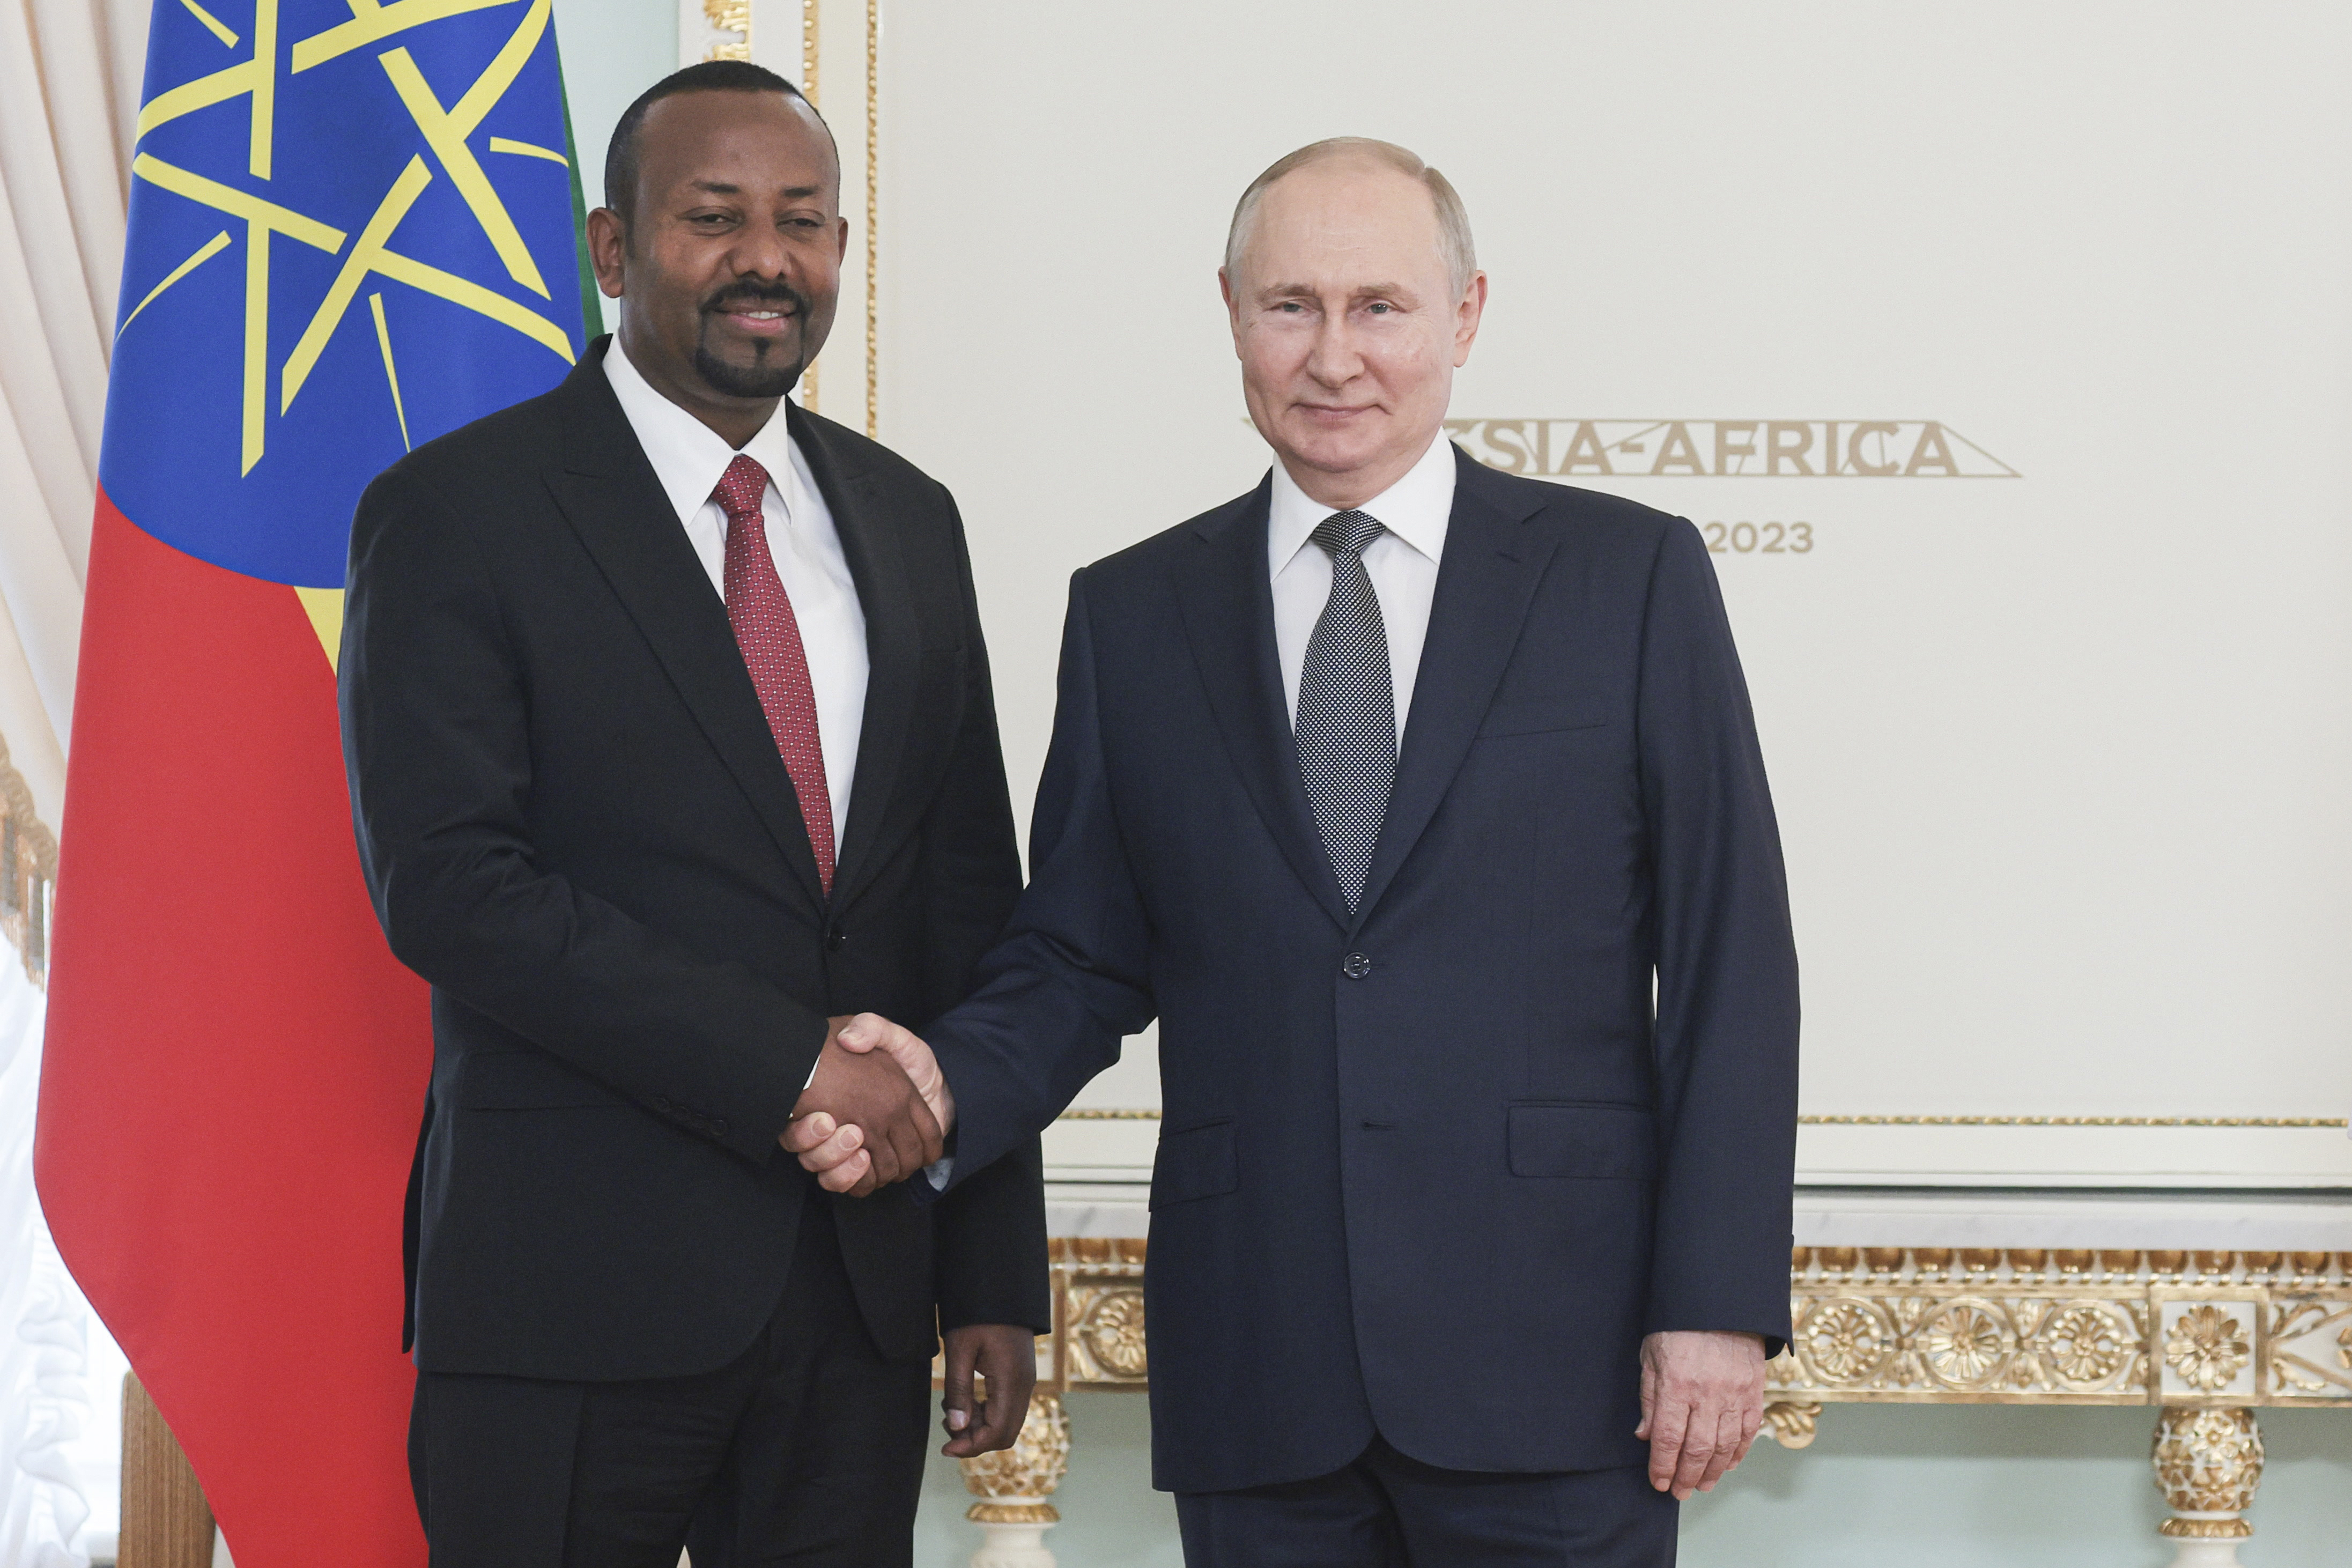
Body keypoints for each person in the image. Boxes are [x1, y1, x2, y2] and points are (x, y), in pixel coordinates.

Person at [794, 137, 1800, 1566]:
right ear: (1230, 314)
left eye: (1379, 307)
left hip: (1557, 1361)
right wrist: (938, 1081)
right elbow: (1078, 951)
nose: (1334, 356)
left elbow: (1728, 962)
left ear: (1463, 317)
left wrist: (1712, 1301)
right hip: (1260, 1363)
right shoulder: (1134, 613)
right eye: (1291, 307)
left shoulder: (1626, 577)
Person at [339, 61, 1043, 1568]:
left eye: (800, 220)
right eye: (711, 218)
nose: (762, 259)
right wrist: (794, 1064)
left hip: (855, 1304)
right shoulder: (456, 510)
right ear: (612, 248)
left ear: (841, 252)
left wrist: (989, 1266)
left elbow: (965, 909)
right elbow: (453, 886)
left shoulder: (910, 521)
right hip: (566, 1294)